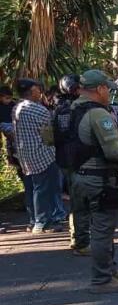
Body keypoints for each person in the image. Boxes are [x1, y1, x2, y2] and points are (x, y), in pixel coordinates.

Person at [71, 70, 118, 294]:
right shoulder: (98, 114)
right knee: (102, 230)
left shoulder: (69, 109)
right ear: (99, 89)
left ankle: (108, 269)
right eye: (107, 88)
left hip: (77, 176)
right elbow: (114, 152)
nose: (109, 92)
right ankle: (101, 279)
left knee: (97, 227)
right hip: (99, 179)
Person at [12, 79, 64, 234]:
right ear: (32, 90)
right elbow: (48, 137)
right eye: (37, 89)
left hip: (24, 155)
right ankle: (42, 223)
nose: (40, 92)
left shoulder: (16, 108)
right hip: (42, 154)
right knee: (43, 189)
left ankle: (32, 221)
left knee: (31, 188)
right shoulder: (39, 110)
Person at [53, 74, 90, 255]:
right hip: (77, 160)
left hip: (66, 159)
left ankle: (77, 238)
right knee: (81, 202)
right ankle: (81, 241)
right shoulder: (76, 108)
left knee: (78, 201)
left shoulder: (59, 107)